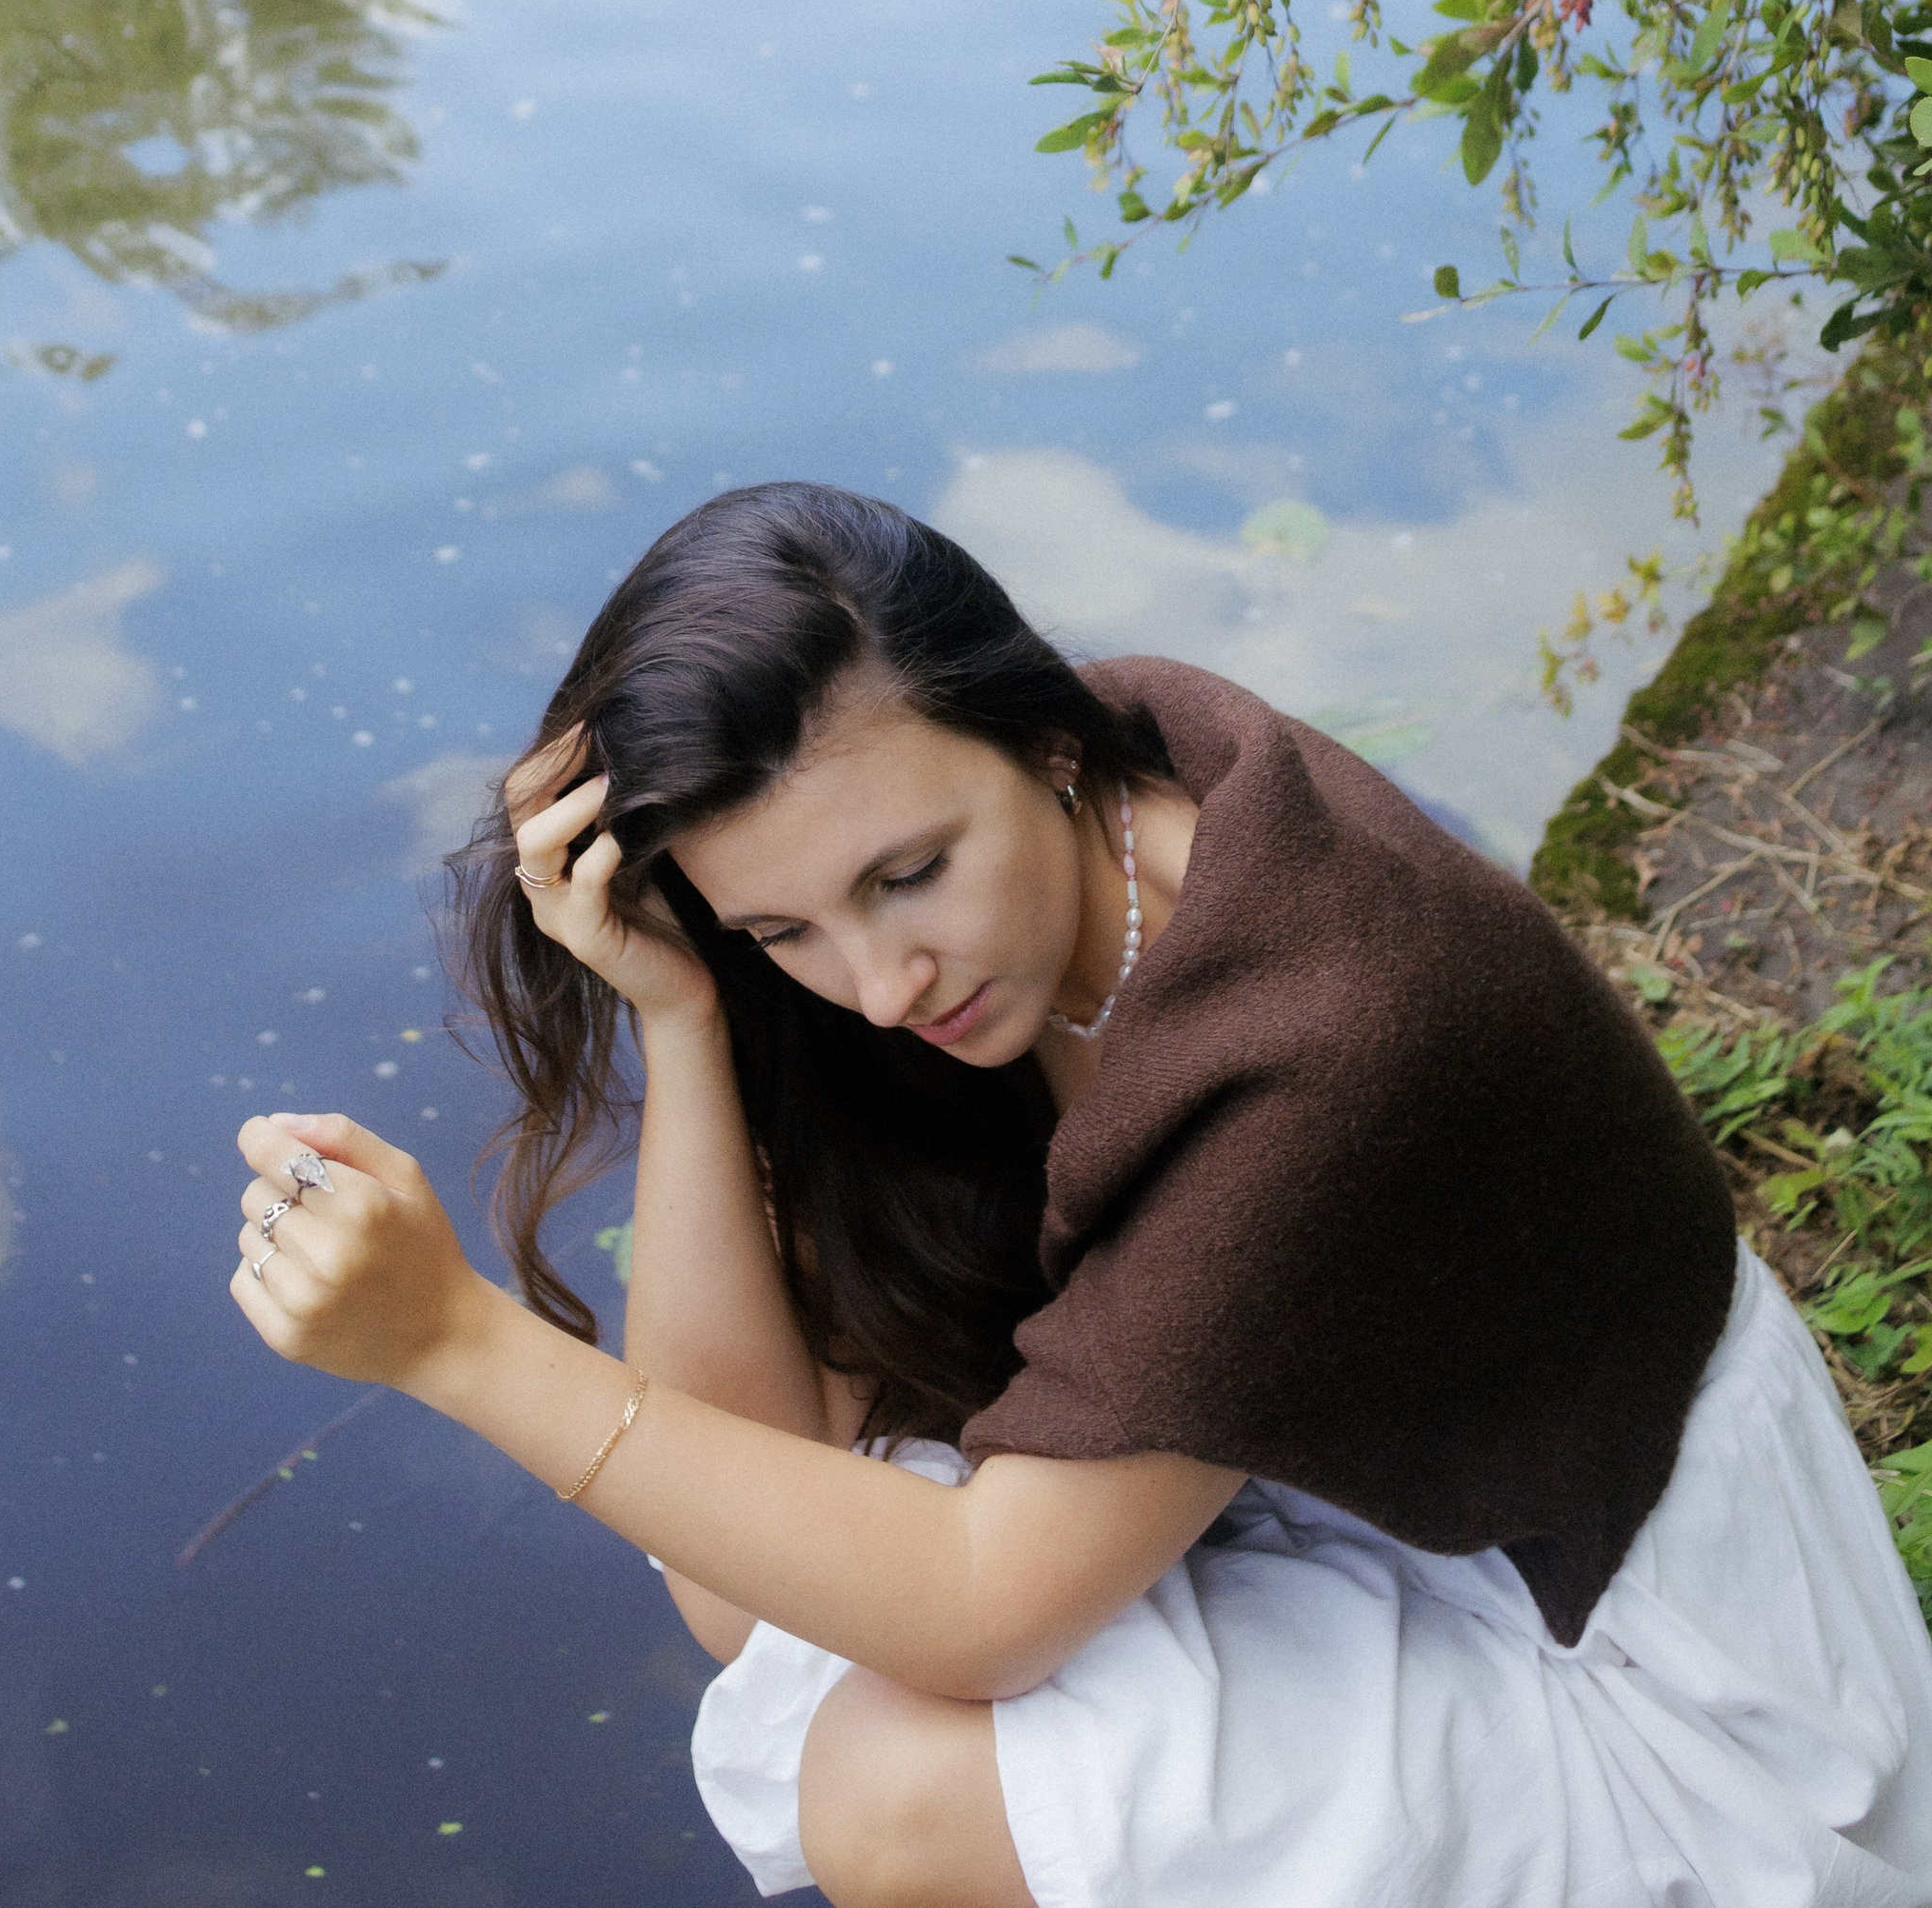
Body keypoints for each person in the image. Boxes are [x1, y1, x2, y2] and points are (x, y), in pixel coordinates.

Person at [229, 482, 1932, 1906]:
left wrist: (457, 1342)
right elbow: (728, 1568)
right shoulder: (1036, 851)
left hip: (1659, 1670)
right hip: (1396, 1479)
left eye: (909, 877)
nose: (880, 979)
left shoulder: (1322, 1037)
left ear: (1044, 732)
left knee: (900, 1787)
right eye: (784, 931)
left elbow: (979, 1613)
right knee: (794, 1587)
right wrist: (683, 1011)